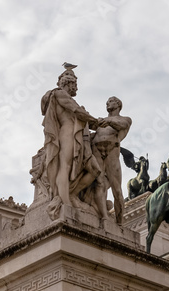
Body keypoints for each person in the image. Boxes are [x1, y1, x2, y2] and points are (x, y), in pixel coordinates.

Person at [41, 69, 101, 208]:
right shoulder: (59, 93)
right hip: (67, 132)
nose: (77, 88)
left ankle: (70, 194)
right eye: (75, 84)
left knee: (94, 170)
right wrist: (96, 121)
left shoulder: (63, 96)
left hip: (77, 134)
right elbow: (77, 111)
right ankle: (65, 203)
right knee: (65, 166)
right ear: (69, 83)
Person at [91, 96, 132, 225]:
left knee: (117, 190)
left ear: (118, 104)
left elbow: (122, 125)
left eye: (111, 101)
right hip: (97, 151)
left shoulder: (124, 119)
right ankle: (103, 216)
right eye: (107, 102)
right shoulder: (100, 122)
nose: (108, 103)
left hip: (111, 152)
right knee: (99, 184)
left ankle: (119, 223)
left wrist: (108, 121)